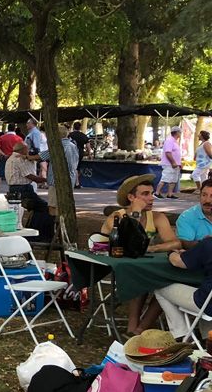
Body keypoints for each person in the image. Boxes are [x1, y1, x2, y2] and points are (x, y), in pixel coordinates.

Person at [101, 174, 181, 334]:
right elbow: (128, 244)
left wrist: (153, 248)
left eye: (151, 193)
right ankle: (133, 327)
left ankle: (139, 330)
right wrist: (136, 213)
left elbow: (175, 243)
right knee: (142, 277)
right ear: (131, 197)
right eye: (145, 194)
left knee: (168, 284)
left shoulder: (157, 217)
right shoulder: (117, 217)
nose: (151, 198)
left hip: (144, 267)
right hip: (118, 266)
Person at [158, 127, 183, 199]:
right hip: (169, 164)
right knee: (165, 178)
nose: (180, 134)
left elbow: (176, 154)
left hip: (175, 164)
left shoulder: (175, 141)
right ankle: (157, 192)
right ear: (177, 133)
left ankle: (170, 194)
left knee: (173, 179)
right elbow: (168, 152)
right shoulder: (169, 141)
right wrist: (173, 162)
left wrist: (179, 163)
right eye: (180, 132)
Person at [24, 118, 49, 184]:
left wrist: (33, 156)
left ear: (32, 124)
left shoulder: (35, 133)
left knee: (41, 169)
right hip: (36, 154)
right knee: (42, 169)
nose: (26, 124)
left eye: (28, 123)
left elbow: (36, 146)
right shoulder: (33, 132)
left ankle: (43, 182)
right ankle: (42, 182)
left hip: (35, 154)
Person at [68, 122, 90, 188]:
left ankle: (75, 183)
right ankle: (76, 183)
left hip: (71, 152)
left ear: (73, 127)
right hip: (80, 153)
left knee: (73, 167)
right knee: (77, 167)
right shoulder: (83, 135)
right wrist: (89, 153)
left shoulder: (70, 135)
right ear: (80, 127)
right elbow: (88, 146)